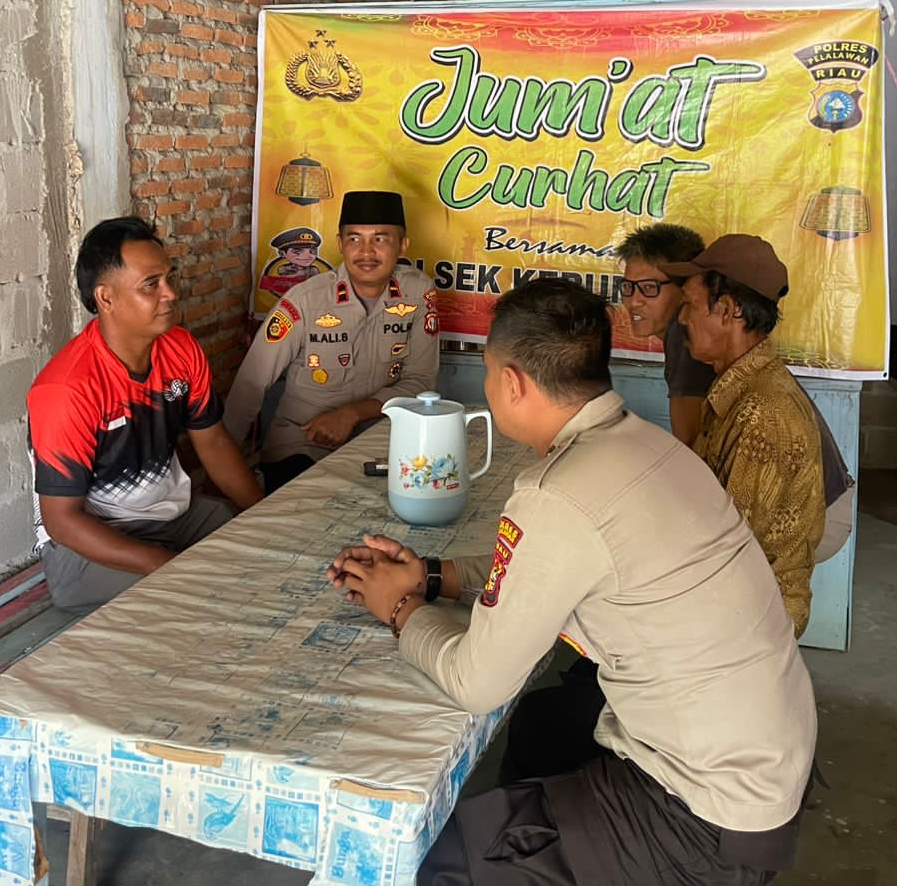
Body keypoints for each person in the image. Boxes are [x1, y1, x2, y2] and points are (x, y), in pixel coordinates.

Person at [329, 278, 817, 885]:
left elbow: (476, 682)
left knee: (441, 864)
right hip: (772, 761)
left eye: (489, 373)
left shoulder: (556, 494)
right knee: (544, 726)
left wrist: (400, 608)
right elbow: (548, 567)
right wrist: (431, 575)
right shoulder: (651, 445)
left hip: (704, 820)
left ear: (512, 384)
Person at [26, 217, 264, 613]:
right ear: (106, 298)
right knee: (206, 595)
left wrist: (267, 515)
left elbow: (213, 442)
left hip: (171, 517)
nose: (170, 294)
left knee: (260, 551)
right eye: (150, 284)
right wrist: (167, 566)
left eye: (169, 278)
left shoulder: (180, 348)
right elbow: (63, 522)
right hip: (87, 547)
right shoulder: (66, 389)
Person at [657, 234, 827, 636]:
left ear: (729, 310)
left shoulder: (760, 412)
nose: (682, 319)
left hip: (751, 615)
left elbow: (729, 551)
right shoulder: (739, 387)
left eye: (690, 305)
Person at [225, 190, 440, 494]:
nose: (366, 252)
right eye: (354, 239)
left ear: (403, 245)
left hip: (380, 443)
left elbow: (420, 381)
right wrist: (223, 470)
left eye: (380, 239)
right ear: (340, 244)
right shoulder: (305, 300)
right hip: (303, 443)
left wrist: (353, 414)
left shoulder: (417, 293)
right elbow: (251, 384)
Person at [615, 223, 716, 446]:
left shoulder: (686, 337)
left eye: (649, 288)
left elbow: (691, 445)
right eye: (628, 287)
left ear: (687, 289)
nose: (633, 301)